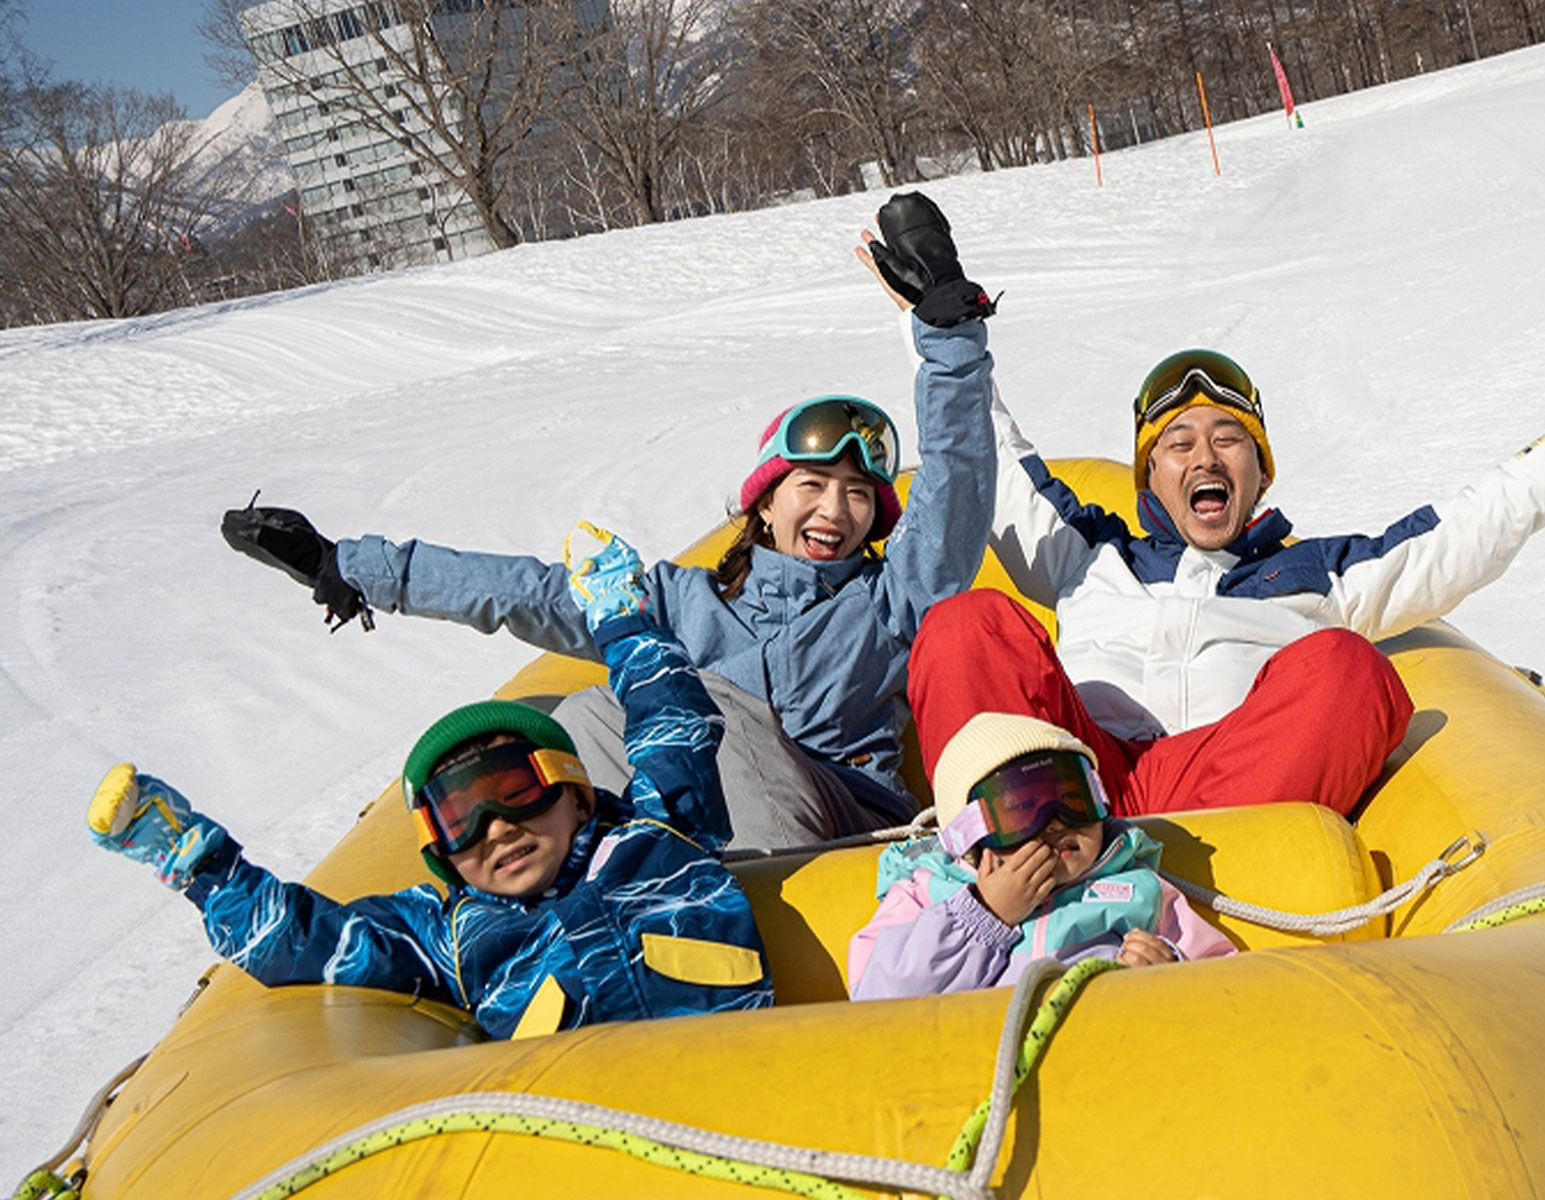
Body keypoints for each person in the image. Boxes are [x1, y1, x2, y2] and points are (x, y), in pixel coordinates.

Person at [888, 218, 1545, 817]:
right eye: (1178, 442)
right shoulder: (1086, 554)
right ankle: (1003, 857)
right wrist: (936, 327)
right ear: (1150, 475)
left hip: (1223, 795)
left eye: (1229, 439)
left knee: (1347, 668)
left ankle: (1191, 890)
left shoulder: (1325, 574)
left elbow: (1492, 512)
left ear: (1260, 471)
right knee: (969, 624)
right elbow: (993, 460)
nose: (1205, 457)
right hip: (1065, 785)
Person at [220, 198, 1000, 847]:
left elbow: (956, 485)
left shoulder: (890, 601)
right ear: (764, 500)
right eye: (813, 484)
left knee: (695, 704)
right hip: (693, 826)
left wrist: (950, 342)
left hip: (833, 830)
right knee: (573, 714)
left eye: (859, 495)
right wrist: (348, 566)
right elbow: (528, 593)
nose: (835, 509)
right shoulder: (683, 600)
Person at [87, 525, 771, 1040]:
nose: (495, 827)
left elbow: (670, 717)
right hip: (593, 1138)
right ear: (436, 848)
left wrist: (624, 622)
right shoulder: (447, 931)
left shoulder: (660, 829)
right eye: (458, 818)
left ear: (575, 790)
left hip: (743, 1079)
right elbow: (306, 941)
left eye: (513, 788)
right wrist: (199, 864)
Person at [847, 712, 1234, 999]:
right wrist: (983, 916)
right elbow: (875, 999)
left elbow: (1225, 978)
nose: (1054, 825)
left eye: (1073, 801)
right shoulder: (926, 894)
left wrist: (1171, 970)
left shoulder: (1137, 888)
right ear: (969, 836)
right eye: (1021, 811)